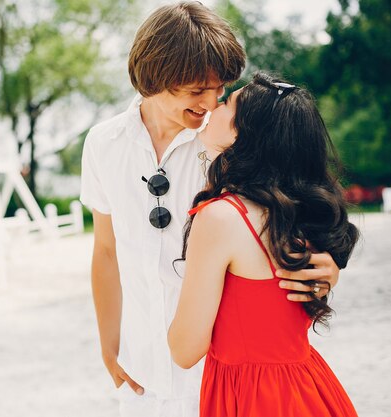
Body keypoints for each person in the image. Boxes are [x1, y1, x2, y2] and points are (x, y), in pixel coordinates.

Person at [80, 3, 341, 416]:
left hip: (218, 375)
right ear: (155, 78)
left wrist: (327, 263)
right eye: (196, 90)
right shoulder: (102, 143)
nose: (211, 101)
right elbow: (106, 251)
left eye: (220, 89)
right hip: (140, 370)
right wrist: (109, 346)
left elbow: (295, 199)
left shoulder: (228, 140)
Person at [168, 72, 360, 416]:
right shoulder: (301, 211)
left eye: (226, 103)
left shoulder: (220, 218)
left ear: (243, 134)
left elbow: (185, 351)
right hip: (309, 385)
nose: (214, 105)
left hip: (252, 397)